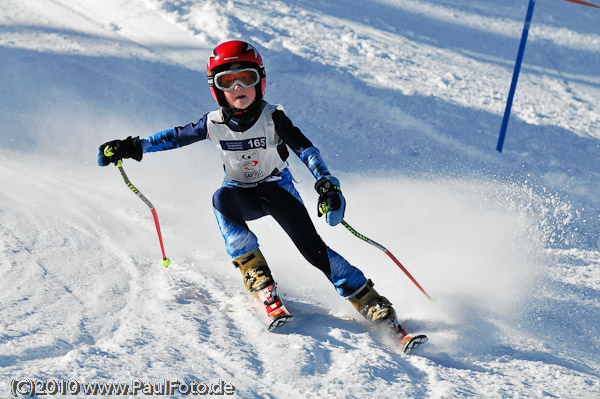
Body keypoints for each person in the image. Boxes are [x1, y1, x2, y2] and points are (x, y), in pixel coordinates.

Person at [98, 40, 421, 348]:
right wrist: (130, 147)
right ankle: (256, 274)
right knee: (221, 199)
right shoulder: (212, 123)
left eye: (246, 78)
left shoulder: (273, 117)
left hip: (277, 191)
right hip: (240, 194)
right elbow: (173, 137)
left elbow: (305, 149)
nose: (238, 87)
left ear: (260, 82)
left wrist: (326, 184)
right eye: (228, 80)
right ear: (217, 88)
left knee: (312, 249)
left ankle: (367, 299)